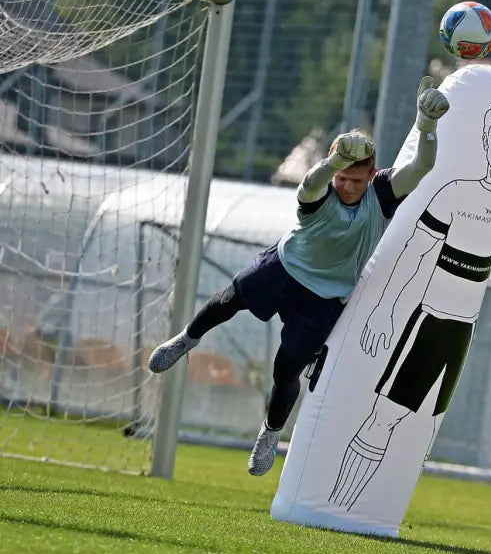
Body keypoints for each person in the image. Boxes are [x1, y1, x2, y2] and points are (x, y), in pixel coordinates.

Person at [147, 76, 449, 477]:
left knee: (286, 372)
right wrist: (333, 164)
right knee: (228, 300)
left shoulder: (382, 192)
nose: (346, 186)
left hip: (325, 298)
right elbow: (311, 184)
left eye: (355, 181)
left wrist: (426, 127)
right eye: (342, 177)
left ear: (371, 174)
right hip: (285, 268)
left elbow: (423, 166)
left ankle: (270, 433)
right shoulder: (320, 189)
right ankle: (187, 338)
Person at [328, 100, 491, 510]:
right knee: (384, 417)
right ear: (484, 142)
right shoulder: (455, 192)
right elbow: (415, 253)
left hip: (463, 330)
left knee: (426, 430)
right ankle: (335, 508)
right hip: (430, 323)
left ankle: (380, 509)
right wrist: (385, 309)